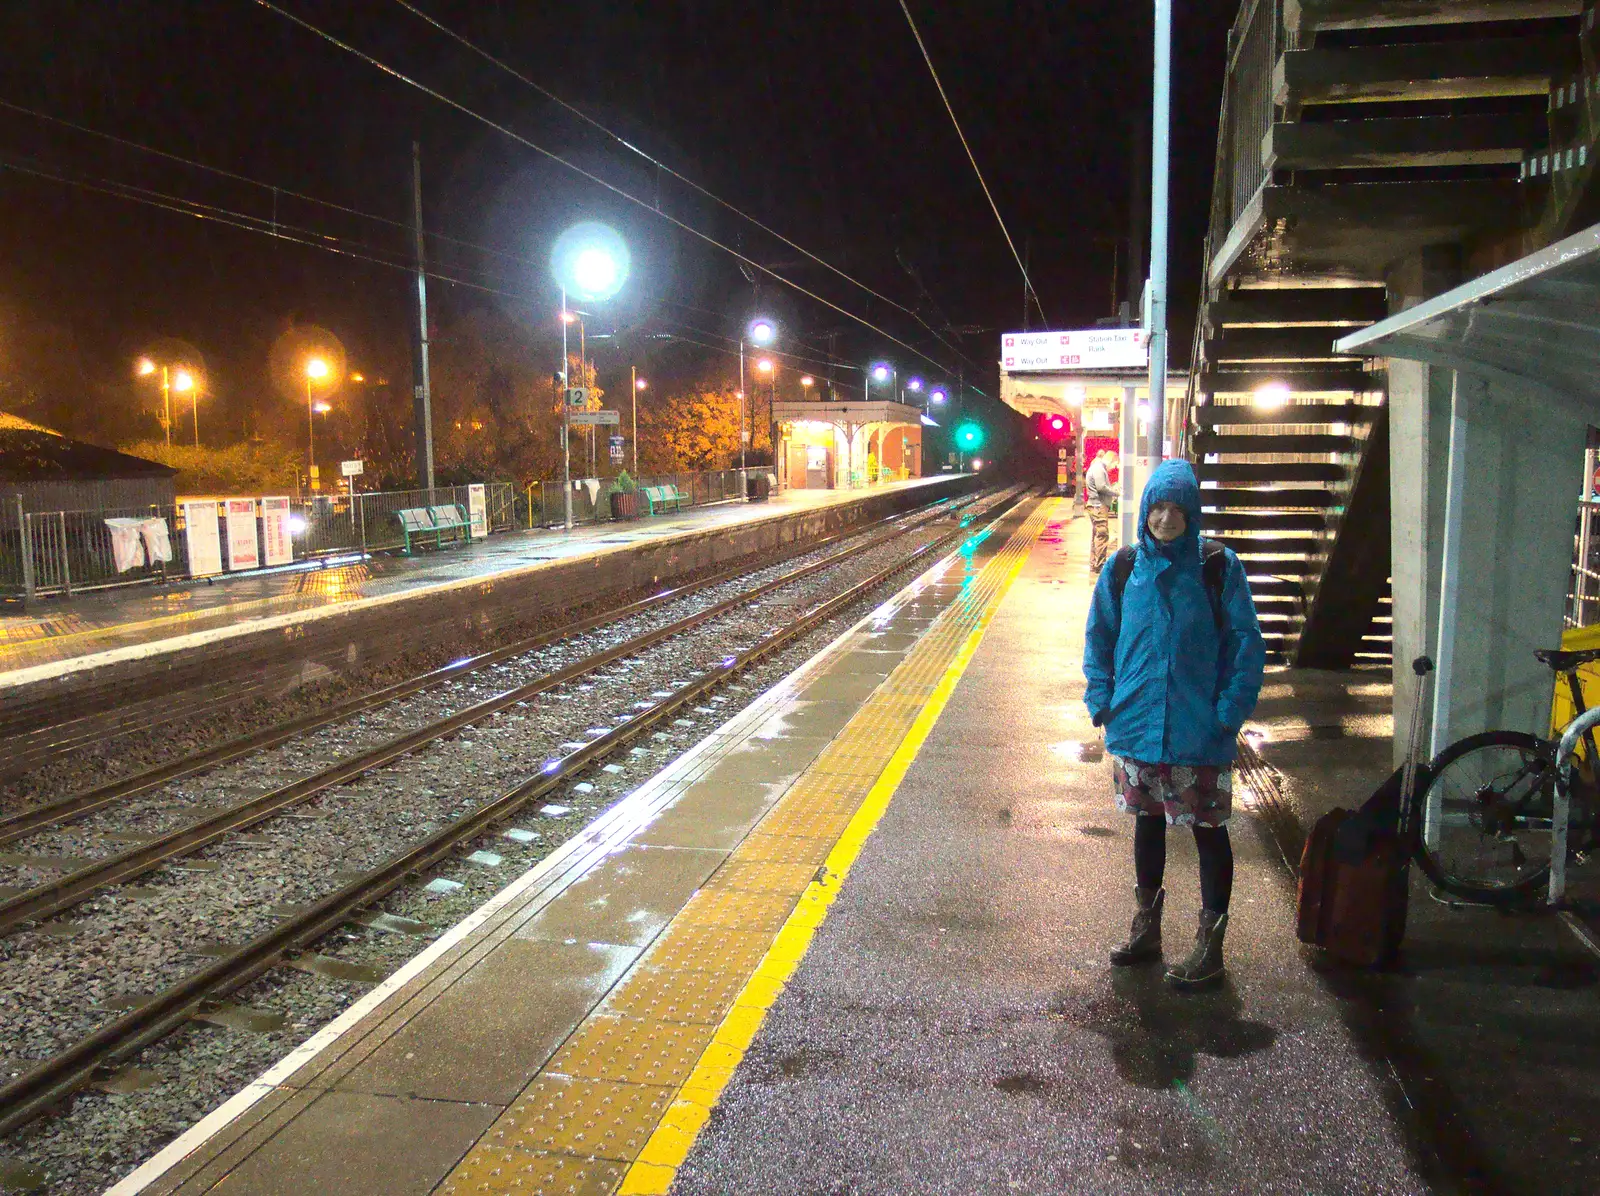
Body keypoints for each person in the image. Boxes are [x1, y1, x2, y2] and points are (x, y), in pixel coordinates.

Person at [1082, 458, 1266, 990]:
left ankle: (1211, 947)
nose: (1166, 518)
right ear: (1144, 511)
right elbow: (1099, 640)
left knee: (1210, 833)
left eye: (1177, 509)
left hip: (1198, 731)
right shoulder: (1121, 569)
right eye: (1157, 508)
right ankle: (1148, 931)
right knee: (1147, 826)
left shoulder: (1218, 567)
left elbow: (1245, 646)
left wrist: (1228, 715)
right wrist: (1102, 697)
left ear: (1192, 513)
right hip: (1138, 728)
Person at [1084, 448, 1118, 573]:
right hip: (1098, 506)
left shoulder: (1096, 467)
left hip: (1095, 505)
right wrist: (1116, 492)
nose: (1113, 468)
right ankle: (1099, 564)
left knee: (1097, 534)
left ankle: (1094, 562)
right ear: (1111, 460)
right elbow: (1101, 487)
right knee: (1102, 534)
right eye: (1114, 465)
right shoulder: (1099, 468)